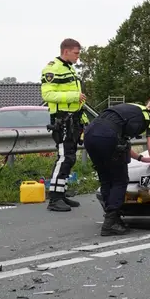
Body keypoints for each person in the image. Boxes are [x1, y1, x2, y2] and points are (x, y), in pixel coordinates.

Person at [83, 97, 150, 236]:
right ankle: (111, 223)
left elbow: (120, 140)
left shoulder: (134, 109)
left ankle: (113, 219)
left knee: (106, 179)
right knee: (120, 180)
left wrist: (141, 158)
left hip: (90, 133)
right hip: (107, 136)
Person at [41, 38, 90, 212]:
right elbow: (47, 95)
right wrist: (73, 97)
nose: (78, 57)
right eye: (76, 53)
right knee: (64, 157)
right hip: (62, 119)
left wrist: (83, 121)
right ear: (66, 51)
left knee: (69, 157)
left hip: (73, 119)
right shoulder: (52, 69)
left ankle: (61, 193)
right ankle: (54, 198)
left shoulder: (68, 68)